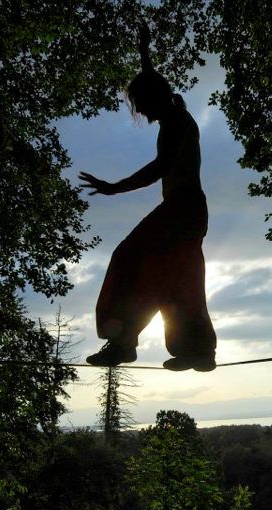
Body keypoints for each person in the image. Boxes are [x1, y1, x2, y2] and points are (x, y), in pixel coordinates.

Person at [78, 25, 216, 372]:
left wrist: (114, 187)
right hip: (186, 210)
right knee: (175, 275)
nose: (141, 113)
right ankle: (194, 349)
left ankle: (124, 341)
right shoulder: (174, 116)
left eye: (141, 105)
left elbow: (160, 167)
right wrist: (144, 51)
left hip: (182, 208)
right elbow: (153, 78)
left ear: (155, 98)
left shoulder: (177, 122)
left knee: (130, 258)